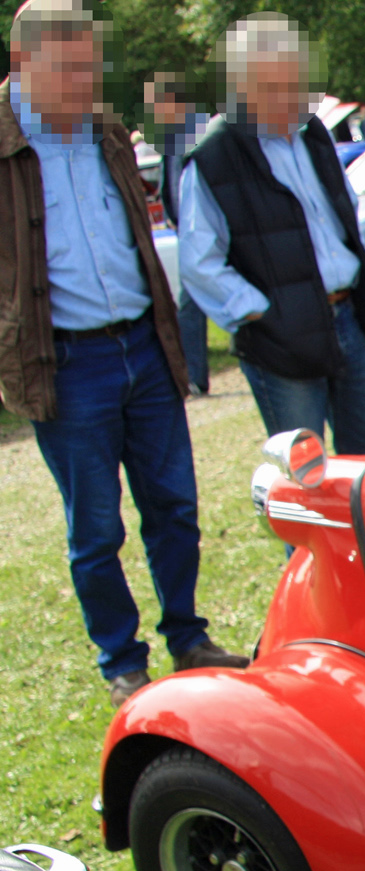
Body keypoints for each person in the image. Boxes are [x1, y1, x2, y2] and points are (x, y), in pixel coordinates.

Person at [0, 0, 247, 705]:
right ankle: (121, 659)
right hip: (67, 365)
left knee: (174, 505)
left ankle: (189, 637)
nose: (88, 82)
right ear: (24, 63)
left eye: (91, 65)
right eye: (72, 69)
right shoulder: (4, 142)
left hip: (144, 343)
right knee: (96, 527)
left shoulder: (103, 131)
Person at [180, 14, 365, 457]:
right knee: (304, 473)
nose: (295, 94)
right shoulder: (214, 155)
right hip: (280, 339)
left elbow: (343, 211)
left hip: (347, 317)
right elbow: (199, 263)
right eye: (279, 84)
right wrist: (263, 314)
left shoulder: (311, 132)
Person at [143, 72, 211, 394]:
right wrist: (172, 217)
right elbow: (166, 186)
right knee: (189, 307)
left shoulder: (202, 136)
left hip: (210, 233)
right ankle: (195, 377)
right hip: (185, 234)